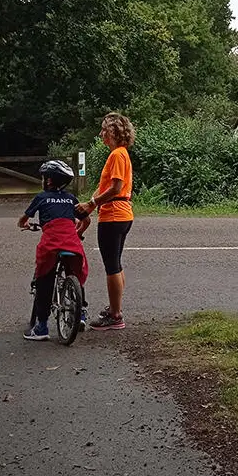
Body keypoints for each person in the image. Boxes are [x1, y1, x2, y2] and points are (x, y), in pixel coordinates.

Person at [76, 112, 135, 331]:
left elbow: (115, 188)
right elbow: (104, 187)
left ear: (113, 132)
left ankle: (115, 315)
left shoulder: (117, 155)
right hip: (121, 214)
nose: (101, 134)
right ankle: (115, 308)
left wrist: (92, 203)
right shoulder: (120, 154)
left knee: (111, 266)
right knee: (116, 264)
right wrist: (89, 206)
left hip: (114, 215)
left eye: (104, 129)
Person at [19, 159, 88, 341]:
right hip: (72, 243)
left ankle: (42, 327)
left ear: (48, 180)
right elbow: (86, 220)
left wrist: (27, 225)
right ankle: (81, 312)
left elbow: (22, 220)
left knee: (45, 278)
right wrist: (78, 233)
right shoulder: (71, 199)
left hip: (51, 244)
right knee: (75, 273)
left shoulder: (41, 197)